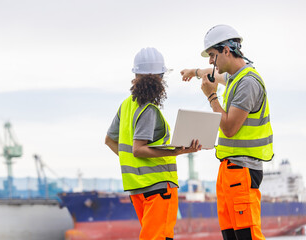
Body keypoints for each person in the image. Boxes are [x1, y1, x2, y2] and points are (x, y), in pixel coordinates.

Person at [180, 25, 273, 240]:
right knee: (231, 235)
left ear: (226, 51)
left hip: (243, 170)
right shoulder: (234, 78)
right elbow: (213, 75)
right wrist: (194, 72)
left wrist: (212, 97)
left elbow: (230, 128)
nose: (210, 62)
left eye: (212, 55)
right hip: (229, 171)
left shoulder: (248, 83)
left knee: (246, 235)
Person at [105, 47, 202, 240]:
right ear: (159, 78)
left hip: (137, 190)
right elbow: (139, 149)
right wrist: (175, 153)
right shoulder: (148, 108)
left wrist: (137, 165)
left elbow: (109, 140)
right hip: (158, 190)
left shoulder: (126, 105)